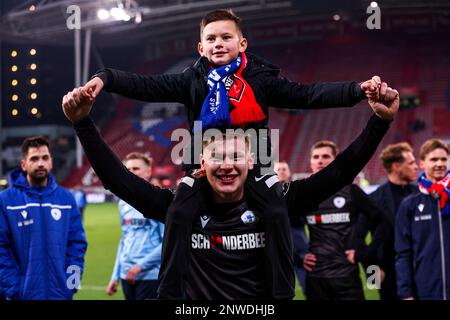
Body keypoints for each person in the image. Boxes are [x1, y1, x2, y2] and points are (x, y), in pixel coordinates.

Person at [63, 9, 385, 299]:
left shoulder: (260, 80)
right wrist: (104, 78)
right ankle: (170, 294)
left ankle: (280, 293)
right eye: (211, 38)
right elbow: (145, 85)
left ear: (242, 44)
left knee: (275, 213)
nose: (219, 43)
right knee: (177, 215)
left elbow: (308, 94)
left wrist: (357, 90)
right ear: (200, 48)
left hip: (256, 171)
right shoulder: (191, 80)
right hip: (202, 174)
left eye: (226, 37)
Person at [0, 136, 87, 300]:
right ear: (24, 165)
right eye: (34, 158)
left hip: (60, 294)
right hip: (21, 295)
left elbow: (77, 244)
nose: (40, 163)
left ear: (51, 162)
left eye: (45, 158)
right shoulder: (5, 200)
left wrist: (71, 283)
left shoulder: (66, 199)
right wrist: (14, 288)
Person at [301, 140, 387, 300]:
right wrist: (298, 256)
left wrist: (366, 252)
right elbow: (281, 227)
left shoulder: (351, 191)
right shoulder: (303, 196)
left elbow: (382, 221)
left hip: (346, 276)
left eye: (325, 156)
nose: (320, 160)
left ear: (335, 160)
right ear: (311, 163)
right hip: (316, 278)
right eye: (316, 157)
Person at [356, 142, 419, 300]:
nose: (416, 166)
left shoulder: (420, 194)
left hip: (422, 273)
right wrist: (374, 278)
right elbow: (357, 239)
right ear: (397, 166)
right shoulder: (374, 199)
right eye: (411, 163)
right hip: (390, 278)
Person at [395, 139, 450, 300]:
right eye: (433, 159)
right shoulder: (409, 205)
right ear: (422, 164)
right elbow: (403, 253)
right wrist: (406, 293)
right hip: (426, 290)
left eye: (443, 159)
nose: (439, 163)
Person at [106, 152, 164, 300]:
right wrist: (115, 276)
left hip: (149, 275)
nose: (131, 173)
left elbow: (167, 243)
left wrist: (140, 267)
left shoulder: (158, 202)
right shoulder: (122, 203)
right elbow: (124, 239)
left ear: (148, 172)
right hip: (126, 273)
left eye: (136, 169)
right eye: (128, 170)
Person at [274, 160, 308, 295]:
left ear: (289, 173)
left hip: (300, 250)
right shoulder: (266, 195)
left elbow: (304, 219)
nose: (281, 171)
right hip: (278, 253)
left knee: (309, 289)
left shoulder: (297, 193)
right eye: (278, 169)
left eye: (284, 169)